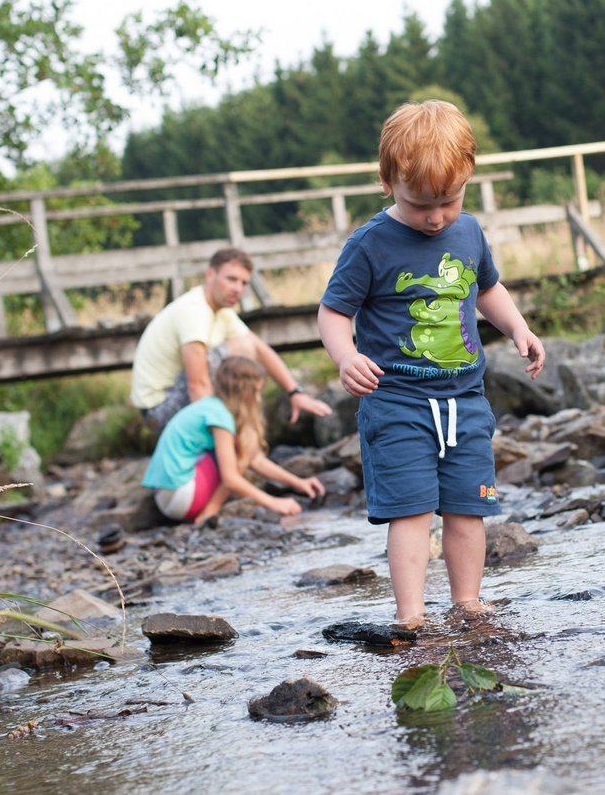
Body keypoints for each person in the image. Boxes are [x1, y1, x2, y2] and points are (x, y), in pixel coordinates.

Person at [318, 100, 545, 627]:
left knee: (470, 507)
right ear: (388, 182)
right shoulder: (370, 244)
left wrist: (518, 328)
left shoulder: (468, 232)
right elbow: (332, 311)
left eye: (449, 200)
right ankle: (411, 615)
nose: (436, 216)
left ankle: (466, 603)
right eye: (420, 204)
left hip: (465, 399)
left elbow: (487, 288)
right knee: (412, 509)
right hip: (396, 401)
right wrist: (346, 355)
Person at [130, 247, 332, 430]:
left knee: (248, 348)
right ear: (210, 275)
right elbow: (197, 384)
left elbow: (260, 349)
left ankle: (241, 427)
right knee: (240, 349)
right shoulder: (194, 310)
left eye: (244, 283)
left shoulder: (220, 311)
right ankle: (229, 430)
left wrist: (295, 393)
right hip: (159, 410)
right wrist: (217, 435)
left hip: (174, 399)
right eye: (231, 279)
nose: (238, 288)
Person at [142, 355, 325, 524]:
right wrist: (274, 502)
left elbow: (256, 460)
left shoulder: (209, 406)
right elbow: (232, 475)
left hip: (165, 498)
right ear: (246, 391)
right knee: (239, 451)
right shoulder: (220, 416)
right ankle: (209, 512)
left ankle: (208, 510)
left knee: (241, 449)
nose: (258, 399)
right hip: (183, 497)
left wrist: (298, 483)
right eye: (257, 392)